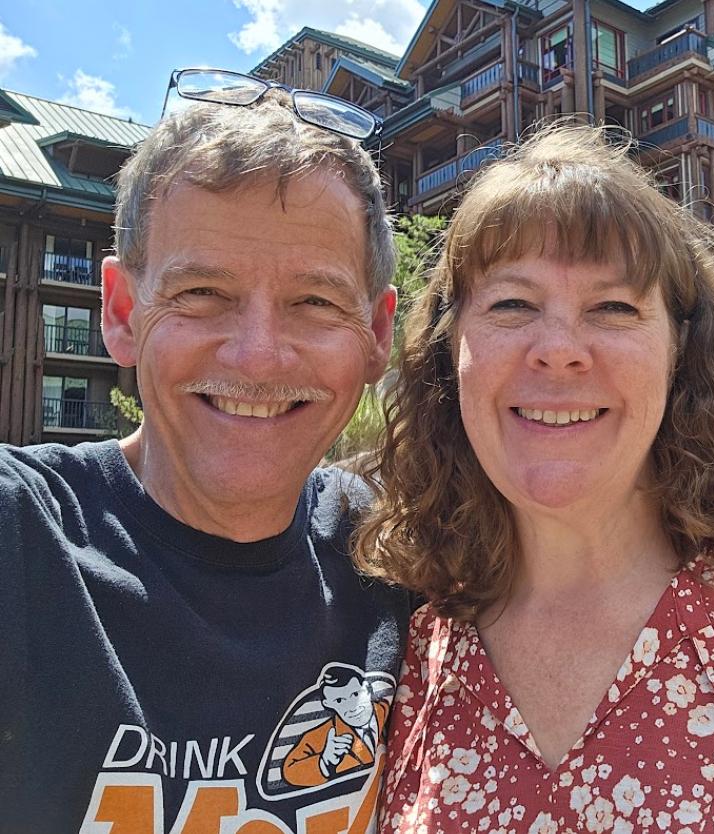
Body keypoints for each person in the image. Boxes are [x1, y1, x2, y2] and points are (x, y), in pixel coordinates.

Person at [356, 125, 714, 834]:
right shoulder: (396, 655)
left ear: (684, 352)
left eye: (613, 307)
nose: (559, 350)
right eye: (512, 305)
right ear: (450, 353)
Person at [0, 76, 411, 833]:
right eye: (200, 293)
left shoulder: (399, 558)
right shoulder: (25, 537)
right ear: (122, 313)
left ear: (377, 336)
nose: (258, 356)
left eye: (314, 302)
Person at [281, 664, 391, 787]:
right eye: (339, 701)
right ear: (327, 704)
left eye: (355, 694)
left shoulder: (389, 708)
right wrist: (324, 761)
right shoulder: (321, 735)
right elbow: (289, 770)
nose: (351, 707)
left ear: (367, 688)